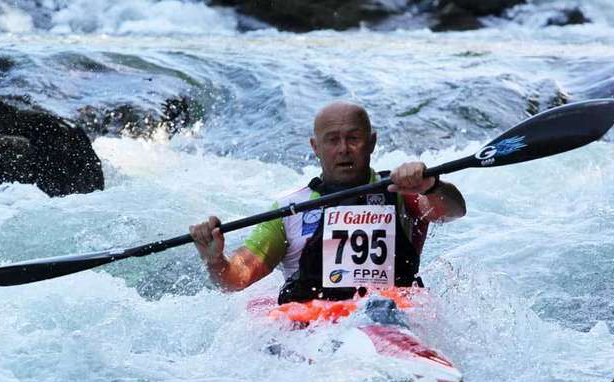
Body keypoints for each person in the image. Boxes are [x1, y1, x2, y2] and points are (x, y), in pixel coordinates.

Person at [190, 101, 466, 304]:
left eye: (353, 139)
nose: (344, 149)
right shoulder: (290, 209)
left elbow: (452, 211)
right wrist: (215, 259)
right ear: (315, 147)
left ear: (371, 143)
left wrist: (432, 185)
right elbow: (236, 278)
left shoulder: (403, 192)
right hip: (314, 322)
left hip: (391, 312)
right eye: (332, 140)